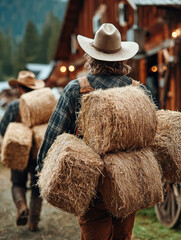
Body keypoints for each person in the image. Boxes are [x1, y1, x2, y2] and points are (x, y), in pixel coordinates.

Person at [36, 23, 151, 239]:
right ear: (122, 58)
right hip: (130, 180)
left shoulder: (76, 89)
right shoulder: (139, 91)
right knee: (123, 236)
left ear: (92, 57)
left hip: (92, 180)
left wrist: (42, 167)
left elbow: (55, 133)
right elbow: (150, 136)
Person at [0, 71, 45, 232]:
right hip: (37, 152)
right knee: (36, 186)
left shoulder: (13, 106)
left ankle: (22, 208)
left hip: (18, 150)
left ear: (20, 89)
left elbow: (4, 129)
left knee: (17, 183)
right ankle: (33, 221)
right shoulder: (42, 105)